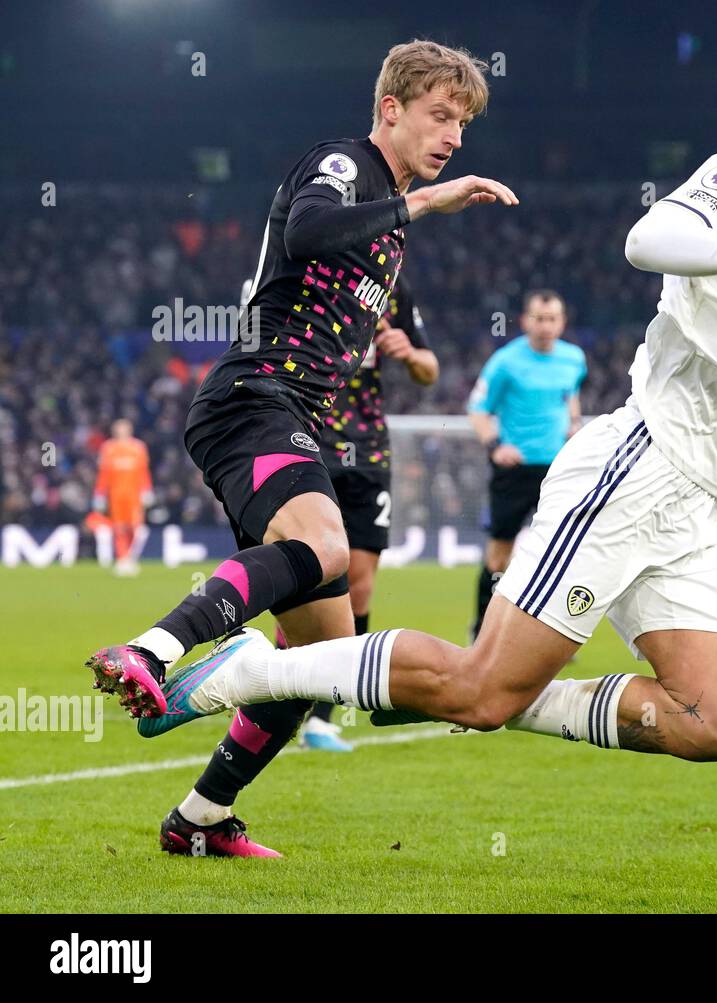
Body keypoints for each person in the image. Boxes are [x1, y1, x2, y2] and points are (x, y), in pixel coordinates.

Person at [115, 33, 717, 783]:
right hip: (644, 464)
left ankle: (448, 692)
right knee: (471, 682)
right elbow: (649, 237)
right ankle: (257, 667)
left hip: (705, 502)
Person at [87, 39, 517, 857]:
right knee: (324, 547)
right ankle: (151, 650)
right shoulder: (344, 166)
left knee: (314, 660)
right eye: (440, 115)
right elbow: (314, 228)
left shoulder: (388, 231)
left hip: (293, 414)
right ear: (391, 109)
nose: (454, 136)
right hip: (252, 396)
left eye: (462, 122)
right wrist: (426, 204)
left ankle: (200, 819)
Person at [300, 272, 439, 752]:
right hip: (307, 442)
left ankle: (321, 715)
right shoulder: (305, 277)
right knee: (304, 576)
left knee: (358, 583)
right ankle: (271, 685)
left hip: (369, 453)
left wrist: (410, 353)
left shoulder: (394, 288)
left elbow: (429, 370)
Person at [467, 290, 585, 641]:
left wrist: (573, 423)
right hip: (514, 471)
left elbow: (570, 396)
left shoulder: (574, 359)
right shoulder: (505, 361)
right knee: (499, 555)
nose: (546, 326)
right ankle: (482, 633)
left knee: (560, 553)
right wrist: (494, 445)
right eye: (539, 318)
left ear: (561, 322)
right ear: (525, 321)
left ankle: (551, 639)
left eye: (552, 319)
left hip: (558, 470)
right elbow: (477, 408)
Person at [92, 419, 153, 576]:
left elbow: (143, 471)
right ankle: (122, 559)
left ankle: (129, 557)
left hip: (134, 495)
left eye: (124, 428)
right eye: (119, 429)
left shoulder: (138, 448)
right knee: (119, 528)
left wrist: (147, 490)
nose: (122, 431)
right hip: (116, 495)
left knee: (134, 527)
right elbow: (103, 474)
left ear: (130, 430)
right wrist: (99, 494)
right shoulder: (108, 448)